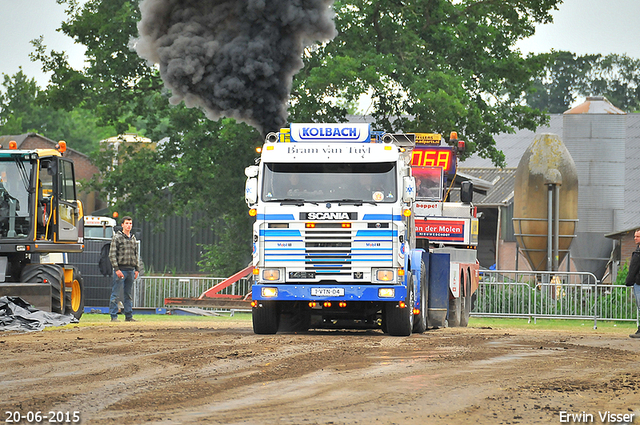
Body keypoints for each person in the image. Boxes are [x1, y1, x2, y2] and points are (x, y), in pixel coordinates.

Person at [109, 216, 140, 322]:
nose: (129, 225)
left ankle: (129, 315)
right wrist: (117, 269)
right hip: (121, 269)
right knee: (116, 294)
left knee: (128, 294)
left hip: (131, 270)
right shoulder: (117, 237)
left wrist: (137, 269)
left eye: (130, 223)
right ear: (122, 225)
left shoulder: (133, 238)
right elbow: (112, 254)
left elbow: (136, 255)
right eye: (127, 223)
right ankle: (113, 316)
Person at [625, 228, 640, 338]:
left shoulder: (638, 253)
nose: (635, 238)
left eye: (637, 236)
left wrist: (629, 281)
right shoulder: (637, 250)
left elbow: (634, 268)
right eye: (635, 236)